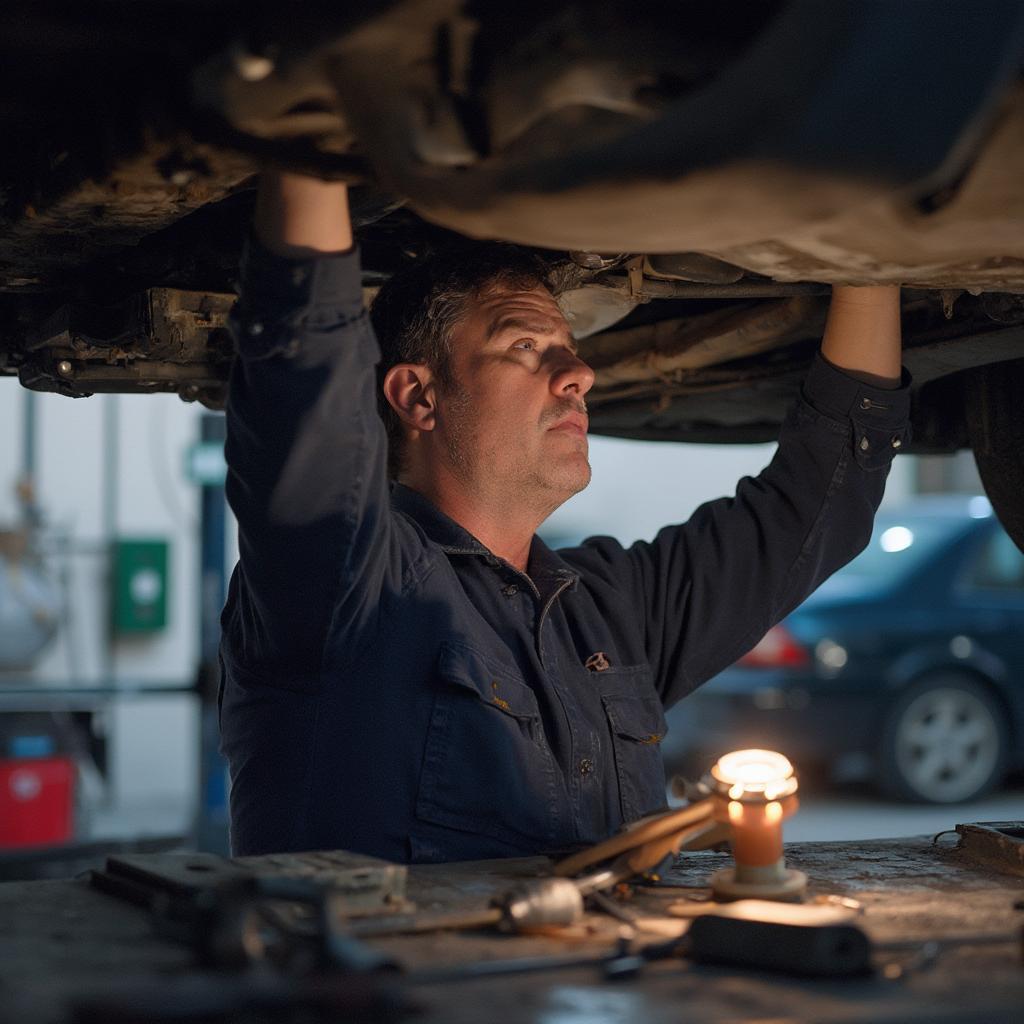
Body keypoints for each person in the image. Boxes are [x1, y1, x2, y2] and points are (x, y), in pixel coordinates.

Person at [219, 170, 907, 862]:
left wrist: (871, 258)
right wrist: (311, 148)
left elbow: (821, 502)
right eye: (525, 346)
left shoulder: (606, 609)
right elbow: (307, 378)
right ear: (418, 398)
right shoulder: (350, 585)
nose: (579, 373)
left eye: (570, 349)